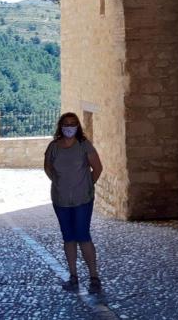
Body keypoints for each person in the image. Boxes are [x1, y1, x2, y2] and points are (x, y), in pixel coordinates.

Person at [44, 112, 104, 294]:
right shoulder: (54, 147)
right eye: (66, 124)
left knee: (83, 236)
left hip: (82, 200)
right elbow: (48, 166)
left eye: (72, 124)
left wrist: (87, 185)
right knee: (68, 237)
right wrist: (58, 182)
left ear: (77, 126)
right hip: (60, 200)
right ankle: (73, 276)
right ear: (60, 126)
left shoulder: (84, 145)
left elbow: (97, 168)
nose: (69, 127)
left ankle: (94, 277)